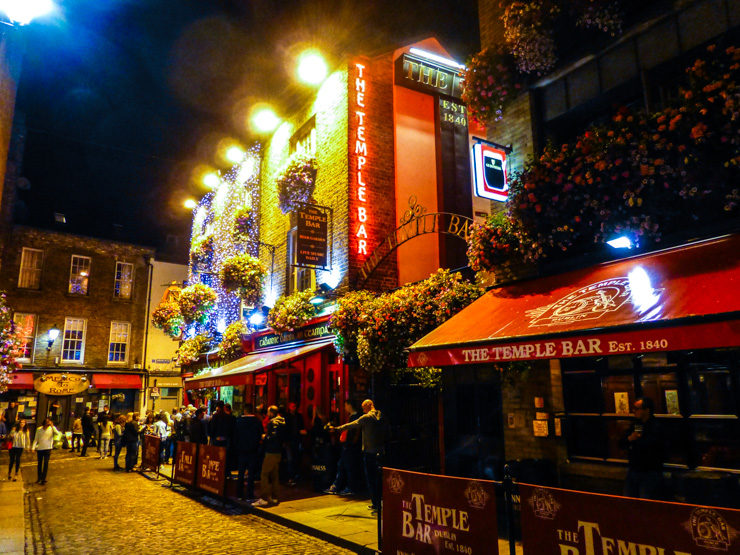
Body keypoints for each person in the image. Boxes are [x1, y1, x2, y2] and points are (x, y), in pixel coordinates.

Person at [330, 399, 388, 513]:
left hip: (369, 452)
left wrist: (336, 429)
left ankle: (375, 504)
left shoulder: (366, 418)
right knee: (379, 479)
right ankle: (380, 502)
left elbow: (352, 425)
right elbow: (387, 432)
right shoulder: (381, 416)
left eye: (363, 407)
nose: (363, 410)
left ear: (369, 405)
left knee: (371, 479)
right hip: (381, 451)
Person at [619, 397, 664, 499]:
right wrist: (630, 439)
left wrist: (635, 441)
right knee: (629, 500)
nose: (634, 411)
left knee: (646, 501)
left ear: (646, 410)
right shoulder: (636, 424)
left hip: (649, 471)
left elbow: (652, 446)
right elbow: (622, 443)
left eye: (637, 408)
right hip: (634, 469)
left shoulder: (655, 426)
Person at [325, 400, 362, 496]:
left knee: (348, 467)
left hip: (350, 447)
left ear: (350, 405)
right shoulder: (353, 416)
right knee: (342, 466)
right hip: (348, 446)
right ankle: (338, 486)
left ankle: (348, 488)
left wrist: (350, 444)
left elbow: (355, 434)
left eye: (345, 405)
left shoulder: (355, 417)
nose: (345, 407)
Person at [253, 405, 285, 507]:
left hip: (271, 452)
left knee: (264, 474)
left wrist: (265, 437)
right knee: (274, 475)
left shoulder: (273, 422)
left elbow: (272, 437)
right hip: (278, 452)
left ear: (271, 412)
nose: (267, 414)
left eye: (268, 412)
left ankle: (264, 498)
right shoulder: (282, 421)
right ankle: (274, 497)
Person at [233, 403, 264, 501]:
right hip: (253, 450)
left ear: (245, 410)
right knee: (251, 473)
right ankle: (250, 494)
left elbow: (235, 436)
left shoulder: (238, 421)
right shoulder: (257, 421)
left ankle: (239, 493)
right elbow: (260, 435)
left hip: (241, 450)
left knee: (241, 472)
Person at [32, 418, 59, 485]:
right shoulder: (39, 429)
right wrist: (33, 447)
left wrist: (53, 427)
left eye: (49, 423)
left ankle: (43, 478)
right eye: (47, 423)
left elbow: (57, 433)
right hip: (40, 448)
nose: (48, 424)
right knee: (39, 464)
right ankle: (39, 478)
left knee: (46, 463)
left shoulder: (51, 429)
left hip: (48, 448)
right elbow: (36, 439)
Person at [285, 402, 305, 486]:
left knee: (297, 458)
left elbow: (301, 426)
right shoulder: (287, 417)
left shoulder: (299, 416)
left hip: (297, 440)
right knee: (290, 459)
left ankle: (296, 475)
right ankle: (291, 477)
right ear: (289, 407)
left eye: (295, 406)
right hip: (290, 440)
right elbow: (286, 429)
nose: (294, 408)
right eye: (292, 406)